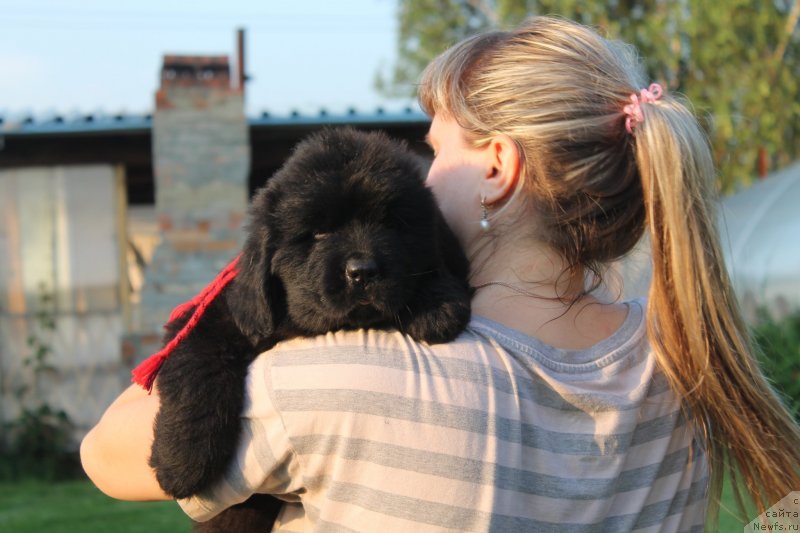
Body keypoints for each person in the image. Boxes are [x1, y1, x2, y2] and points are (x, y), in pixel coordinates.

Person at [81, 16, 800, 531]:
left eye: (435, 149)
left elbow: (107, 452)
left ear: (497, 168)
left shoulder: (341, 377)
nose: (423, 173)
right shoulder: (692, 367)